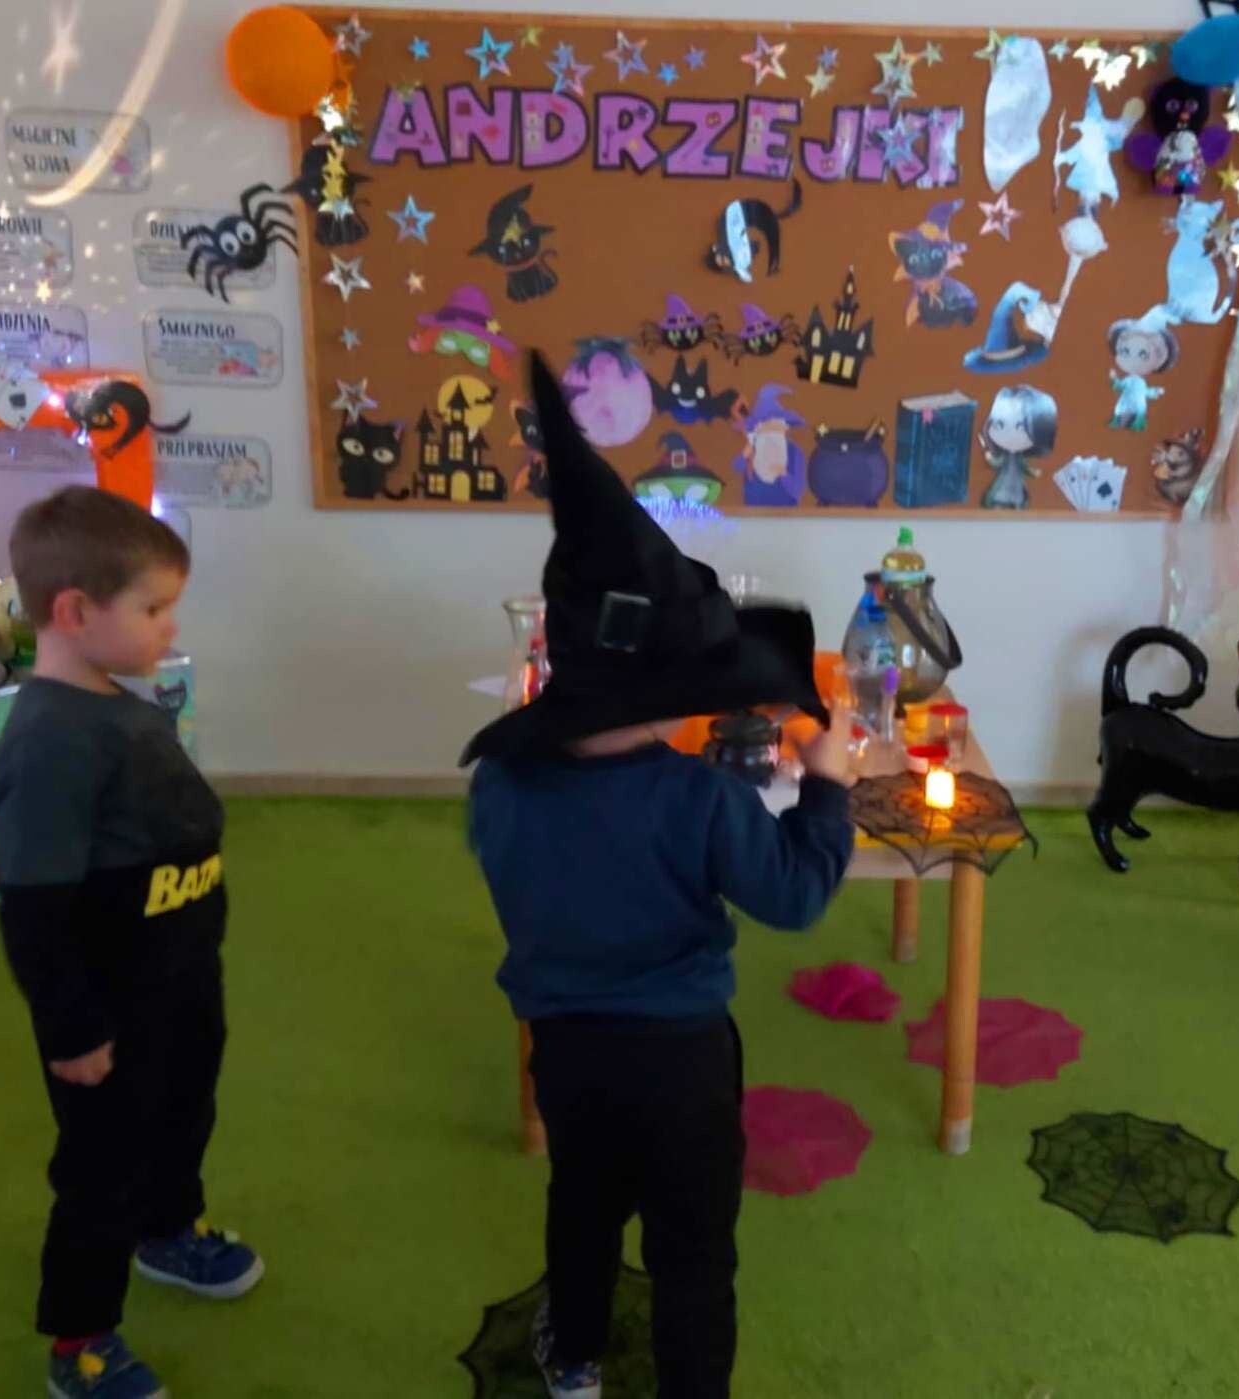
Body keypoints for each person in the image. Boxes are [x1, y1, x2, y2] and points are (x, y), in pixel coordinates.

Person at [463, 354, 855, 1399]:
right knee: (693, 1247)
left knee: (582, 1201)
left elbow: (537, 867)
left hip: (565, 1050)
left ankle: (574, 1357)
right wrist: (825, 789)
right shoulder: (698, 796)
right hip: (681, 1059)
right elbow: (796, 895)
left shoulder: (499, 784)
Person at [0, 487, 261, 1399]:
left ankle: (168, 1230)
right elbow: (34, 911)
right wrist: (71, 1030)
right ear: (75, 611)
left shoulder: (113, 703)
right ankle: (80, 1339)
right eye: (152, 607)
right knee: (101, 1169)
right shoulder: (50, 737)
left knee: (182, 1115)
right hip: (105, 1009)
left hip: (177, 978)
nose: (168, 624)